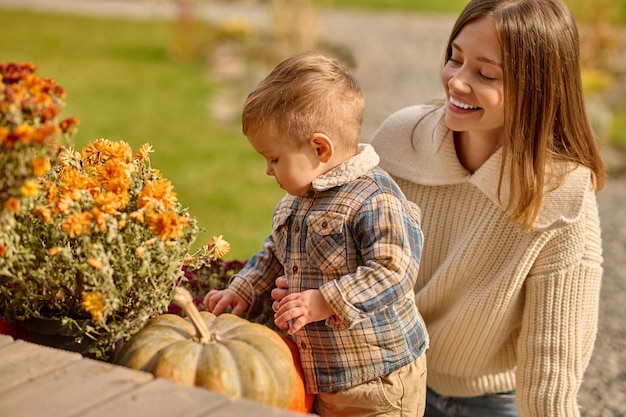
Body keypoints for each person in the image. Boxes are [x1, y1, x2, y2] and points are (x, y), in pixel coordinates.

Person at [272, 1, 606, 416]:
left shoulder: (563, 196)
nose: (457, 82)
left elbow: (553, 360)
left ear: (539, 88)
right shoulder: (401, 138)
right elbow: (316, 234)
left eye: (486, 74)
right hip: (385, 381)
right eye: (455, 58)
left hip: (489, 402)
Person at [204, 51, 429, 417]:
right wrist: (242, 289)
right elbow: (273, 255)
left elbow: (393, 270)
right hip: (326, 376)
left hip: (377, 381)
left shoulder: (374, 198)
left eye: (274, 158)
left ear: (319, 148)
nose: (267, 170)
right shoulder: (297, 203)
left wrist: (324, 301)